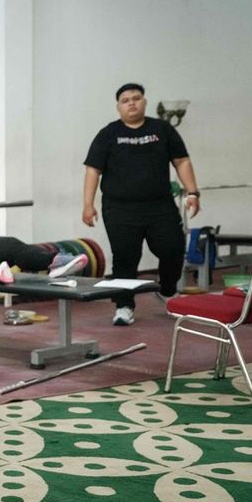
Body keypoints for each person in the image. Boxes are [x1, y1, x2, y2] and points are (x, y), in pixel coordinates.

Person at [82, 82, 200, 326]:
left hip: (160, 206)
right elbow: (93, 170)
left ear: (144, 102)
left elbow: (182, 161)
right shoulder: (108, 134)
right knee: (125, 257)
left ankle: (168, 291)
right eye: (125, 100)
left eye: (136, 98)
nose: (132, 103)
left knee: (173, 248)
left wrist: (193, 192)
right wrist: (88, 204)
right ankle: (124, 306)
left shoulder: (162, 129)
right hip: (120, 208)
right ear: (118, 107)